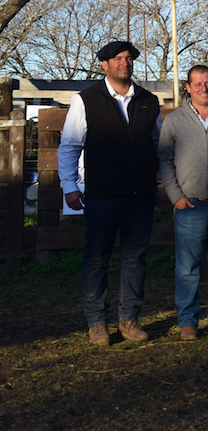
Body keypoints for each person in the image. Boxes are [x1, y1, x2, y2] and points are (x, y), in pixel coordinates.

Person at [59, 41, 161, 346]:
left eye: (129, 59)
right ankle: (97, 322)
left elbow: (158, 144)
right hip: (102, 194)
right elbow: (70, 146)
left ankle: (128, 319)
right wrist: (69, 186)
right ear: (105, 64)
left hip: (141, 193)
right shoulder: (86, 100)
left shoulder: (148, 100)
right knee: (97, 257)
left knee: (135, 257)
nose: (125, 63)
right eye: (118, 59)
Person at [157, 65, 208, 341]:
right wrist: (176, 197)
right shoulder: (175, 121)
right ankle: (188, 320)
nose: (204, 88)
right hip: (190, 204)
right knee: (187, 267)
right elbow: (164, 160)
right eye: (197, 84)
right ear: (188, 87)